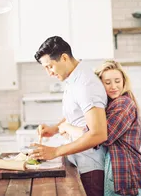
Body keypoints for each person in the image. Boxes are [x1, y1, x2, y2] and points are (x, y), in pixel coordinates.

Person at [59, 60, 141, 196]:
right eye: (107, 83)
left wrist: (67, 127)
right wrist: (60, 127)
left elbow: (100, 136)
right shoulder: (110, 104)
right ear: (100, 84)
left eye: (117, 81)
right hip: (121, 172)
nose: (113, 86)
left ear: (124, 82)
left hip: (127, 172)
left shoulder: (123, 104)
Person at [30, 36, 108, 196]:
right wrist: (54, 129)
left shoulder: (86, 84)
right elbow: (77, 115)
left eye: (49, 66)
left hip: (90, 165)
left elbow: (99, 133)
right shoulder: (73, 79)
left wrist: (56, 151)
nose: (48, 73)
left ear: (64, 58)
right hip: (77, 160)